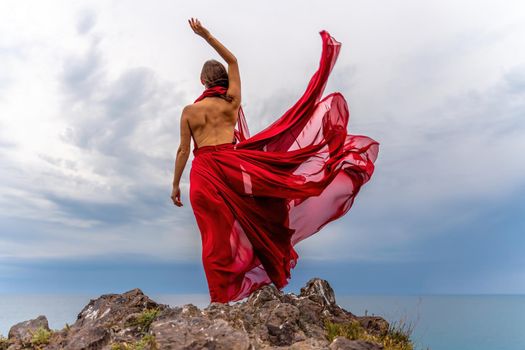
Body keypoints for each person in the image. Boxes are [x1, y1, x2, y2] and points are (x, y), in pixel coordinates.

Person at [171, 18, 380, 304]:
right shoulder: (232, 103)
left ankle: (218, 300)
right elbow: (233, 60)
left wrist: (174, 185)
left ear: (202, 81)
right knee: (255, 215)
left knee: (212, 239)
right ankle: (231, 291)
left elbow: (183, 150)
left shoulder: (189, 112)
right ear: (222, 79)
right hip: (232, 169)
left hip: (204, 175)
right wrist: (206, 35)